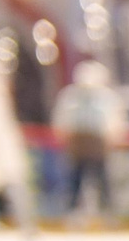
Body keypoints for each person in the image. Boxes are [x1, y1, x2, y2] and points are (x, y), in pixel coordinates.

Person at [51, 58, 123, 225]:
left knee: (102, 179)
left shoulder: (106, 97)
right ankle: (72, 211)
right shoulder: (71, 96)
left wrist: (112, 136)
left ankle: (108, 212)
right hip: (78, 143)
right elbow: (62, 118)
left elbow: (115, 120)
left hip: (98, 144)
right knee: (75, 179)